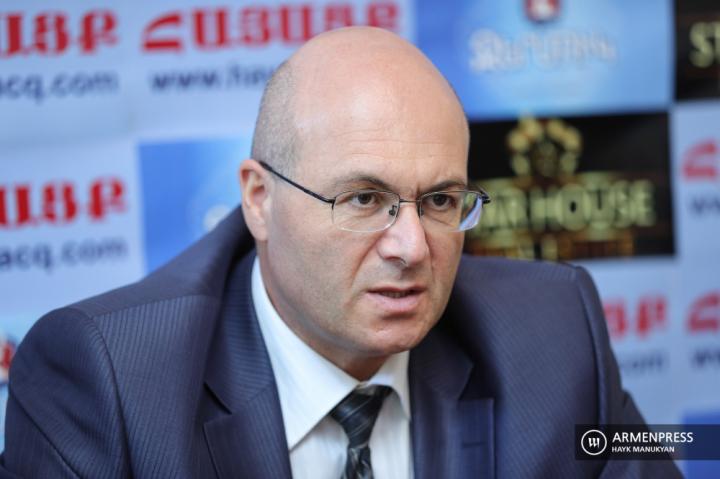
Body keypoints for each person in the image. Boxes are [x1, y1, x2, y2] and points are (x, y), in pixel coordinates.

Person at [1, 27, 681, 479]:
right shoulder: (108, 380)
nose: (412, 247)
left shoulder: (554, 333)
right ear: (259, 199)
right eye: (363, 199)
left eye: (441, 200)